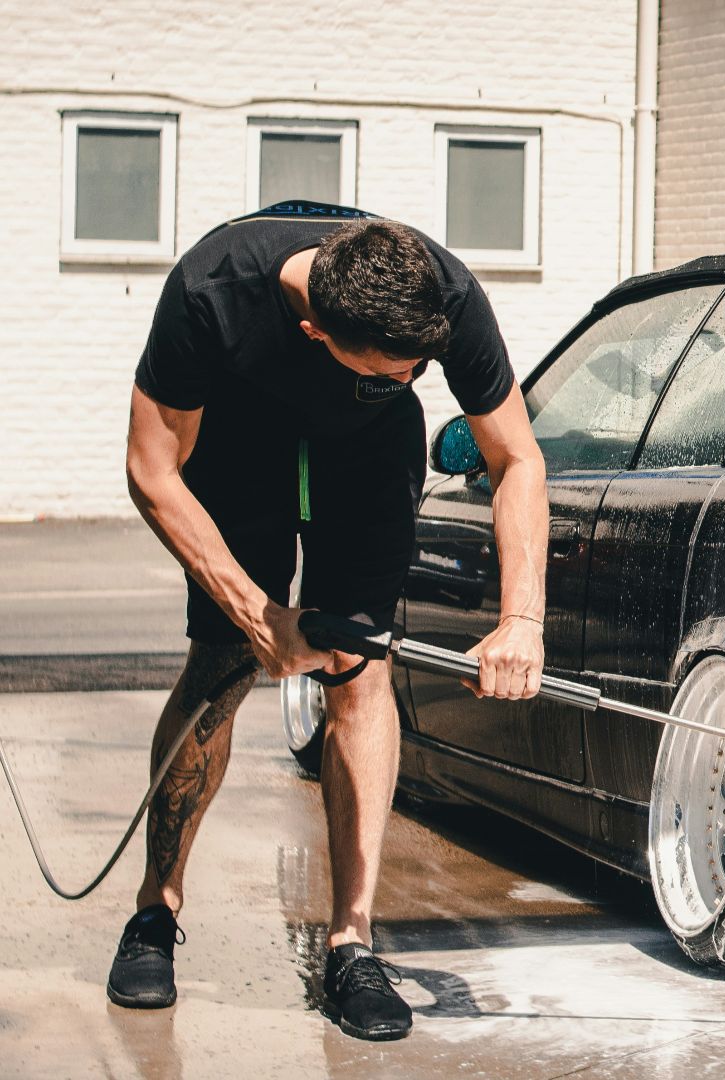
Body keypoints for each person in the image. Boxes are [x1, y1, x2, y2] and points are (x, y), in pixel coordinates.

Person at [112, 202, 548, 1041]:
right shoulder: (213, 291)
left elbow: (516, 458)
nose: (415, 377)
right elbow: (151, 466)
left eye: (421, 367)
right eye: (395, 369)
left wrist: (520, 618)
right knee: (218, 669)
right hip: (240, 445)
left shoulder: (442, 293)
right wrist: (257, 613)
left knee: (362, 675)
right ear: (317, 333)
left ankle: (351, 942)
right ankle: (155, 914)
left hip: (366, 458)